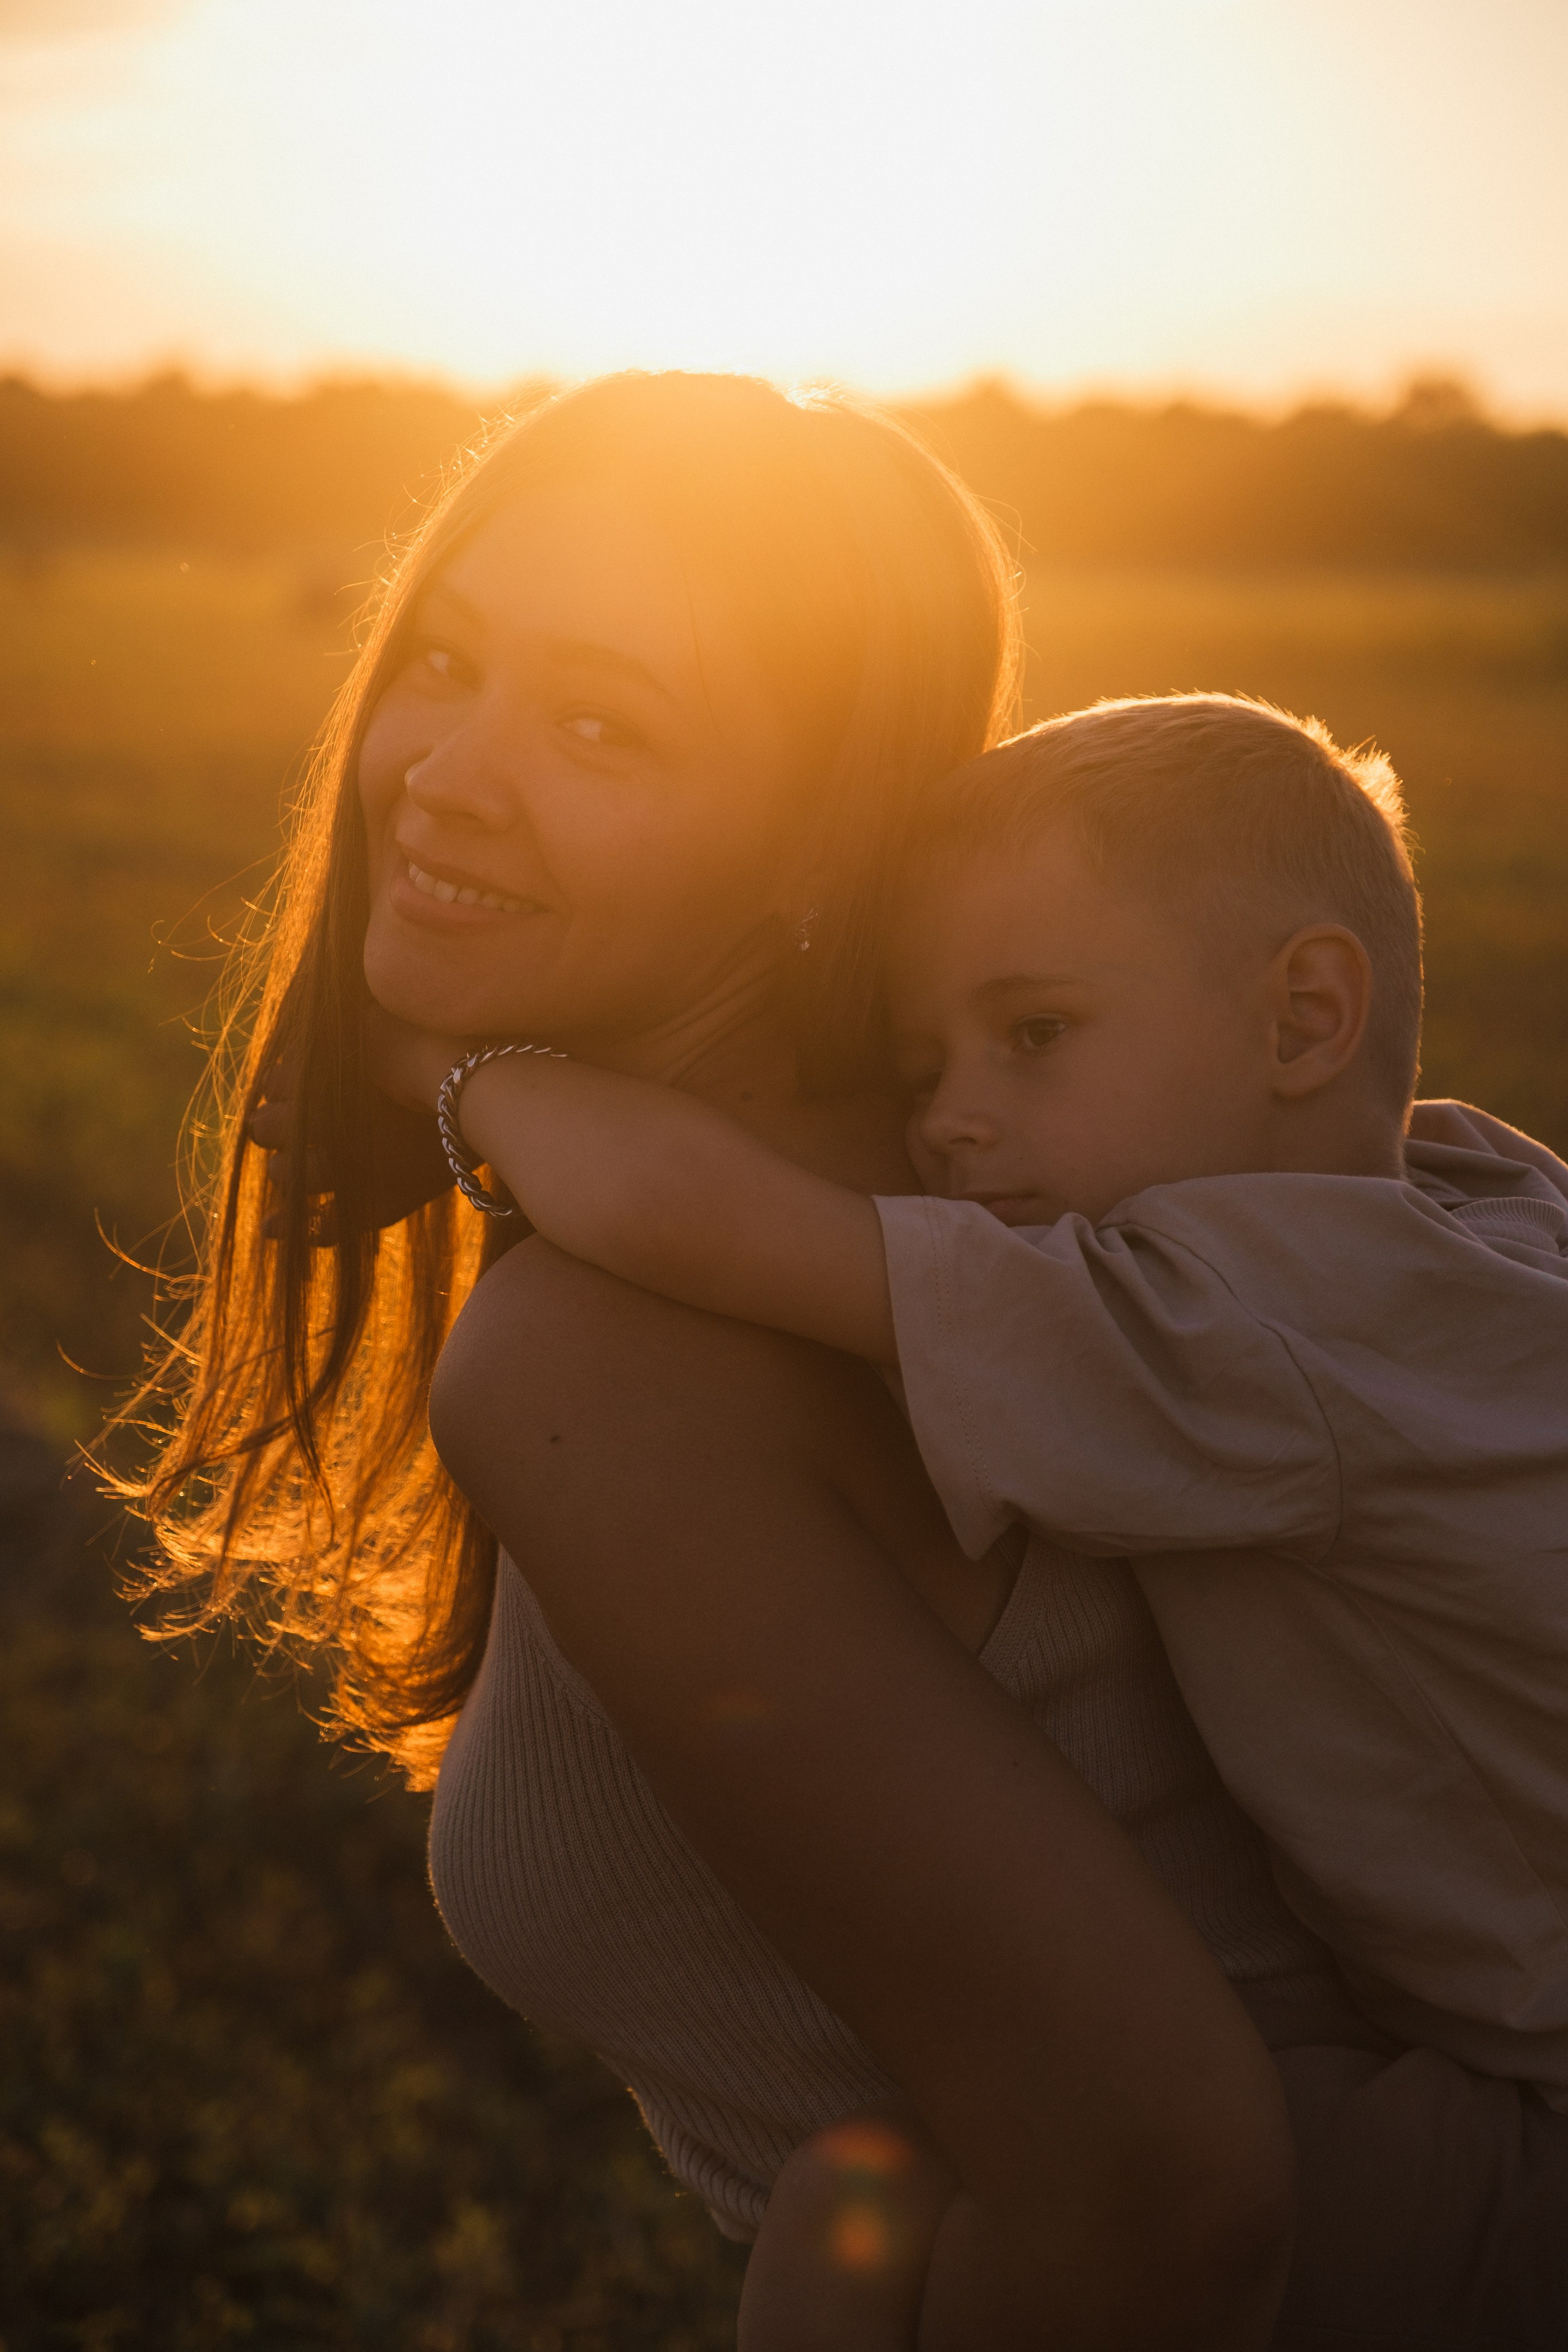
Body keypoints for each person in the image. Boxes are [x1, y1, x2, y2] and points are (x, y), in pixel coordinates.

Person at [127, 372, 1558, 2347]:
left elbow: (1162, 2194)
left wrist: (450, 1082)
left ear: (822, 847)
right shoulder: (1055, 1172)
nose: (446, 767)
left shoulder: (633, 1347)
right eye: (446, 657)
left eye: (604, 722)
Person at [368, 690, 1568, 2343]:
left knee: (893, 2216)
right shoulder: (1483, 1192)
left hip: (1535, 2130)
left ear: (1306, 1020)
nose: (951, 1127)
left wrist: (444, 1065)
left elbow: (673, 1209)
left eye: (1038, 1035)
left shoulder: (1205, 1325)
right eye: (923, 1064)